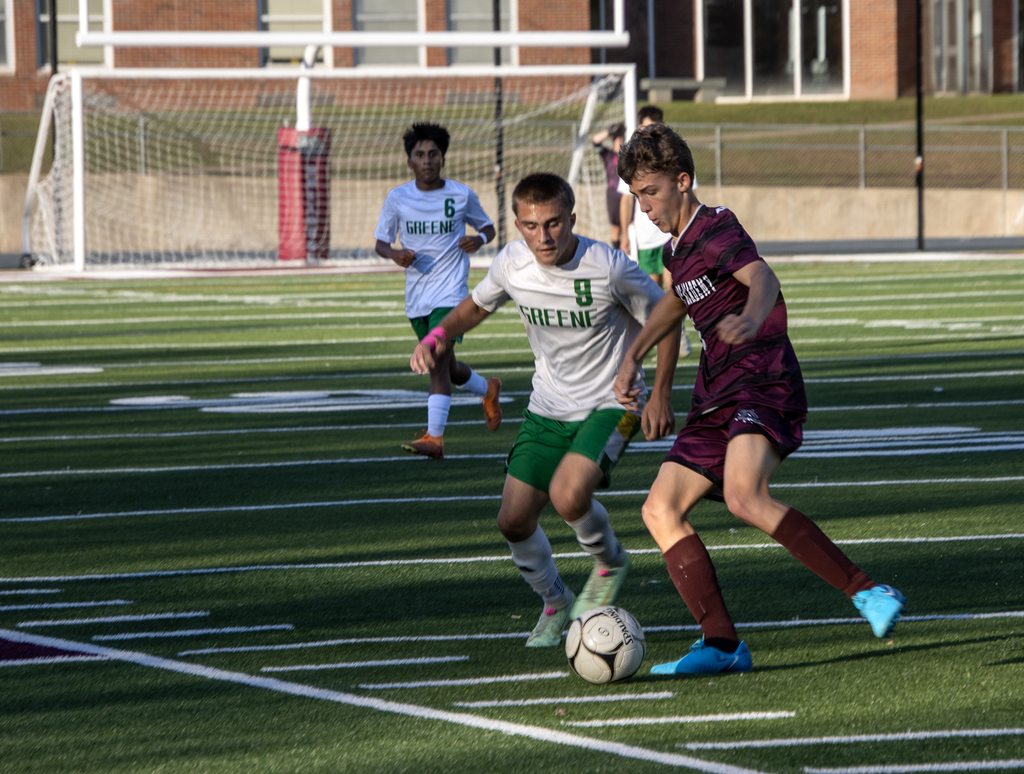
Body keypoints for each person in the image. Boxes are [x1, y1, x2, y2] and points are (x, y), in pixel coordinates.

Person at [613, 123, 905, 676]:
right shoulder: (678, 250)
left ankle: (868, 590)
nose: (644, 206)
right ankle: (722, 645)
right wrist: (635, 358)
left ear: (682, 180)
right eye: (636, 195)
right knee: (659, 509)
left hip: (760, 379)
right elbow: (676, 302)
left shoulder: (716, 229)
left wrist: (750, 314)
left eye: (650, 192)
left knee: (746, 496)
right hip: (715, 392)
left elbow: (761, 276)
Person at [411, 173, 682, 647]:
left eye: (554, 223)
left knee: (568, 494)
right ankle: (555, 601)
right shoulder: (513, 263)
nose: (544, 236)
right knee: (512, 520)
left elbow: (667, 315)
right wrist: (438, 337)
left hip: (611, 404)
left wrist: (659, 393)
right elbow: (476, 306)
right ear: (517, 225)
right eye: (532, 226)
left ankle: (610, 561)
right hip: (547, 405)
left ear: (572, 219)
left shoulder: (607, 266)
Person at [375, 122, 503, 460]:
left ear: (443, 159)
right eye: (420, 155)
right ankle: (488, 390)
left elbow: (488, 227)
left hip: (451, 297)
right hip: (417, 299)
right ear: (410, 161)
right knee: (447, 368)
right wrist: (394, 254)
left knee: (434, 364)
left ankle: (435, 438)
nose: (427, 160)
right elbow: (380, 243)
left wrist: (480, 239)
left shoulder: (460, 194)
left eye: (433, 154)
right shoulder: (398, 198)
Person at [590, 122, 626, 249]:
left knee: (629, 224)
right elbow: (595, 141)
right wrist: (609, 132)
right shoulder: (608, 155)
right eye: (618, 139)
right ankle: (617, 253)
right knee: (615, 227)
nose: (620, 142)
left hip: (627, 195)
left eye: (622, 139)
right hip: (613, 194)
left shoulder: (628, 155)